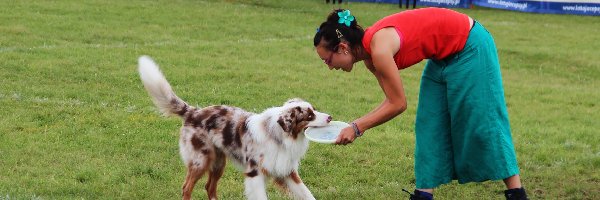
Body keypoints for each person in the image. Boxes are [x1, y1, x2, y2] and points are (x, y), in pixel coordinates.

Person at [313, 8, 529, 200]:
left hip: (470, 45)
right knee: (430, 123)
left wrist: (357, 127)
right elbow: (390, 101)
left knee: (482, 123)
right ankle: (424, 195)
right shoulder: (370, 57)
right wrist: (354, 125)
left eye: (327, 60)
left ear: (342, 48)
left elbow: (398, 104)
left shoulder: (378, 50)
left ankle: (517, 193)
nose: (329, 67)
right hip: (441, 56)